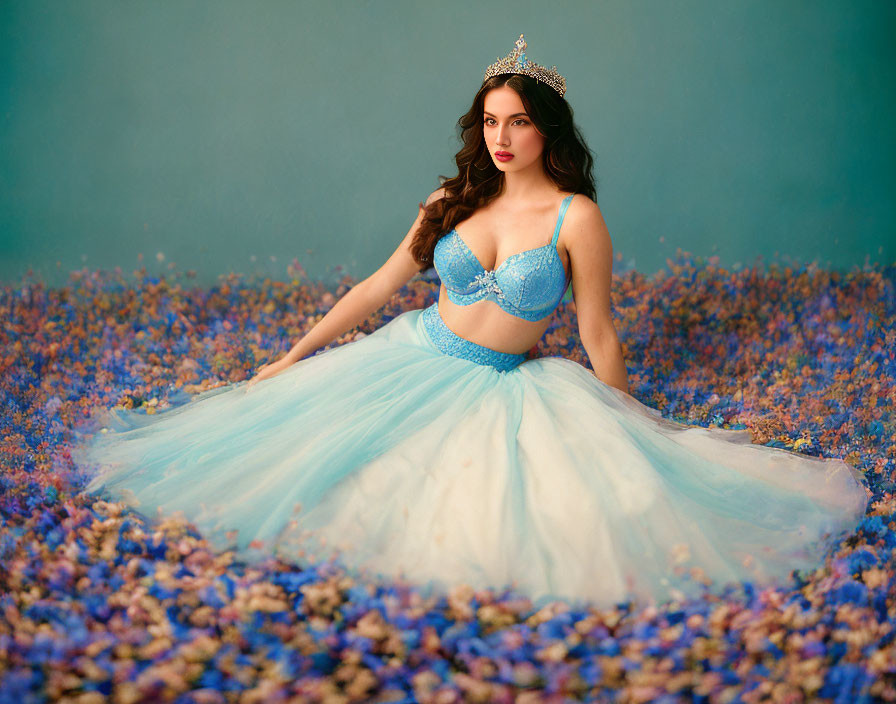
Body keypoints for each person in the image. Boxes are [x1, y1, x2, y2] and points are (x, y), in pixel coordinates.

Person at [74, 35, 868, 610]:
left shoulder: (575, 217)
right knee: (327, 472)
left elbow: (599, 334)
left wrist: (636, 429)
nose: (500, 137)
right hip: (412, 358)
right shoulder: (451, 201)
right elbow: (379, 285)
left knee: (498, 516)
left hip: (504, 383)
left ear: (546, 130)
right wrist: (293, 355)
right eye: (490, 121)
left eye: (518, 122)